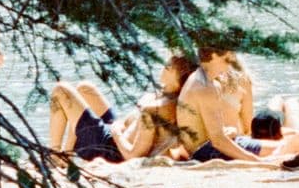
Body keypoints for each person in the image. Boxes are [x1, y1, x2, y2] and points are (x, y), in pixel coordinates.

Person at [175, 43, 299, 164]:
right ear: (213, 56)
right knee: (295, 146)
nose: (232, 61)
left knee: (298, 142)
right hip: (208, 152)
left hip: (208, 148)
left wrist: (229, 133)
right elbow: (218, 141)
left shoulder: (201, 80)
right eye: (227, 58)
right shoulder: (205, 88)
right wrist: (256, 161)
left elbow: (215, 134)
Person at [49, 52, 192, 164]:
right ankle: (67, 155)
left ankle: (55, 156)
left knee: (61, 90)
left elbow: (133, 156)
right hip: (117, 134)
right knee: (85, 88)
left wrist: (116, 132)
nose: (164, 66)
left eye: (168, 66)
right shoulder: (168, 95)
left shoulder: (155, 110)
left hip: (110, 150)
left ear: (176, 76)